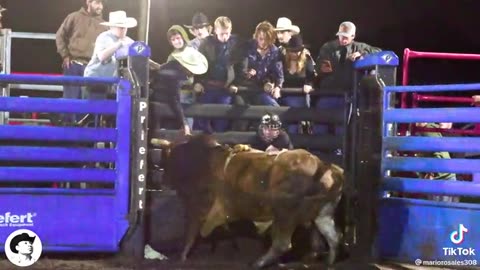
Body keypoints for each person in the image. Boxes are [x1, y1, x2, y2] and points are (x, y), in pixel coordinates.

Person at [314, 21, 381, 136]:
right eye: (340, 35)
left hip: (347, 95)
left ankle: (339, 151)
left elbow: (379, 52)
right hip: (329, 93)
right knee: (320, 123)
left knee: (342, 127)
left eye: (345, 37)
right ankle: (320, 150)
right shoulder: (328, 47)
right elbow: (321, 66)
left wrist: (362, 54)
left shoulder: (359, 47)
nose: (342, 39)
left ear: (353, 36)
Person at [55, 0, 107, 124]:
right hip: (74, 65)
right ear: (88, 2)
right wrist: (65, 55)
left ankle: (86, 137)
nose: (100, 6)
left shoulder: (105, 25)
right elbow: (59, 36)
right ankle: (67, 134)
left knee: (90, 102)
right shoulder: (74, 17)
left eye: (101, 3)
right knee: (70, 101)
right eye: (97, 3)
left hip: (94, 68)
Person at [150, 25, 208, 137]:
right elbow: (173, 90)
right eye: (173, 39)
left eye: (178, 38)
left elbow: (199, 74)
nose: (176, 41)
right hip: (174, 97)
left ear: (183, 37)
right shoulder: (173, 58)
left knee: (189, 126)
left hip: (189, 97)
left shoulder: (192, 53)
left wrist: (198, 83)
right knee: (178, 130)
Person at [193, 16, 248, 133]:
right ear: (215, 31)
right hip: (207, 87)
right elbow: (198, 64)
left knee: (222, 119)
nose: (225, 37)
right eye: (222, 33)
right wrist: (197, 82)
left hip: (225, 88)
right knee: (202, 118)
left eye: (227, 33)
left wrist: (236, 83)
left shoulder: (236, 45)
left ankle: (219, 147)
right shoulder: (206, 44)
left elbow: (241, 66)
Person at [83, 10, 137, 100]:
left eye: (125, 27)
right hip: (95, 80)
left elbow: (139, 55)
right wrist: (119, 44)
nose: (123, 29)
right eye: (120, 27)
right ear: (111, 27)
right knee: (95, 109)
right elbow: (102, 56)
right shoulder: (104, 37)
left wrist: (156, 65)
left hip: (112, 83)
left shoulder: (129, 41)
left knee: (110, 109)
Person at [280, 35, 316, 134]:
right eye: (292, 51)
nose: (295, 53)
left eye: (297, 51)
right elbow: (277, 75)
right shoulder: (283, 60)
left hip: (299, 96)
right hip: (284, 95)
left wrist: (308, 84)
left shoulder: (307, 60)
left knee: (295, 110)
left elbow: (311, 77)